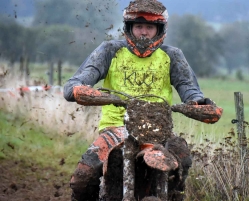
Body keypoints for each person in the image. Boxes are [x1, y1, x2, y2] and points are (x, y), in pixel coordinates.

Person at [63, 0, 216, 200]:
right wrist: (81, 89)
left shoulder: (172, 55)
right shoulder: (110, 50)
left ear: (160, 29)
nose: (144, 32)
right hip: (115, 130)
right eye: (139, 26)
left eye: (149, 27)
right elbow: (77, 81)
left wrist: (198, 102)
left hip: (159, 131)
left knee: (182, 156)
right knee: (83, 178)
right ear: (129, 28)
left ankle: (174, 195)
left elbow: (189, 89)